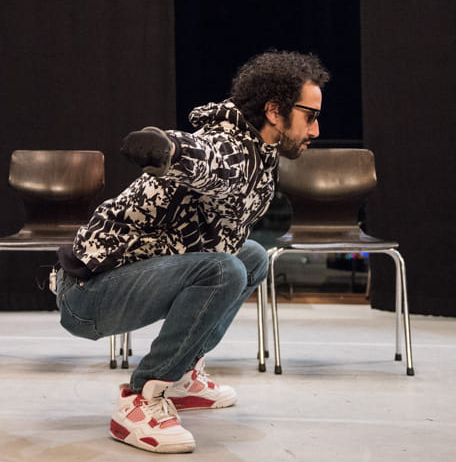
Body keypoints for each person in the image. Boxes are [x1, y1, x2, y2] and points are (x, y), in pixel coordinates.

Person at [56, 50, 329, 453]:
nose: (316, 129)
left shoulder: (261, 150)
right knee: (225, 271)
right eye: (310, 115)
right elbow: (207, 159)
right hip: (88, 294)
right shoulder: (229, 148)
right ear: (275, 111)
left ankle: (182, 375)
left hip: (132, 278)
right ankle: (141, 399)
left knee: (251, 256)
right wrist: (168, 149)